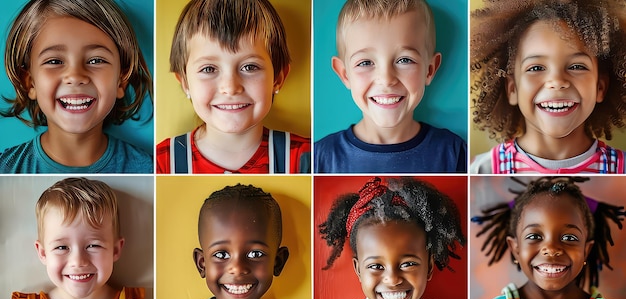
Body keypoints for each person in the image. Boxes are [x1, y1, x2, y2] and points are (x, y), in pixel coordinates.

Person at [470, 0, 626, 174]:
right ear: (512, 89)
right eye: (536, 68)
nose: (557, 81)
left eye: (576, 66)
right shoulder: (482, 171)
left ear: (600, 87)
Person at [156, 0, 310, 174]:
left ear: (277, 78)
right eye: (209, 69)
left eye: (250, 67)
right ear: (185, 83)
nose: (230, 87)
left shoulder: (307, 158)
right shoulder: (162, 163)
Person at [314, 0, 466, 173]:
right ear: (344, 74)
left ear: (429, 70)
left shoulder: (454, 152)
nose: (386, 79)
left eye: (405, 60)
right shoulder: (320, 157)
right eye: (365, 62)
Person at [0, 0, 153, 173]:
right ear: (29, 83)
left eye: (96, 60)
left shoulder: (148, 169)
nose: (75, 77)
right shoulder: (6, 168)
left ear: (121, 81)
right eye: (54, 61)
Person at [472, 177, 625, 299]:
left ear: (586, 251)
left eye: (569, 237)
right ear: (515, 248)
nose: (551, 249)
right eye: (534, 236)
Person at [319, 177, 465, 299]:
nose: (393, 279)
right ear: (358, 270)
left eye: (408, 264)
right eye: (376, 266)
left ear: (429, 267)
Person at [159, 184, 309, 299]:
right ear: (202, 264)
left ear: (277, 262)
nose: (237, 268)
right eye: (221, 255)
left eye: (255, 254)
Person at [8, 178, 151, 299]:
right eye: (61, 247)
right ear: (43, 253)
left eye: (93, 245)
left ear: (115, 250)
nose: (78, 261)